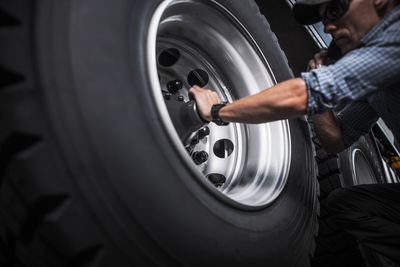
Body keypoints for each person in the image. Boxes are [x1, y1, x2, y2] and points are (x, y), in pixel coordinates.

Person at [189, 0, 400, 263]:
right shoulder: (376, 85)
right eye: (324, 19)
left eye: (335, 10)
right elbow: (337, 140)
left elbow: (305, 94)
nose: (329, 26)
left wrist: (218, 110)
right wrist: (317, 84)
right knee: (346, 205)